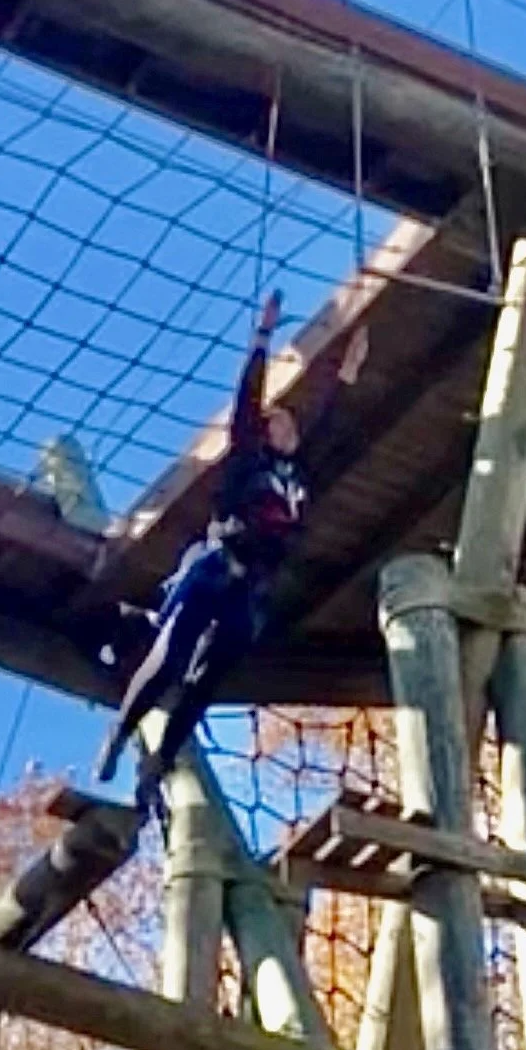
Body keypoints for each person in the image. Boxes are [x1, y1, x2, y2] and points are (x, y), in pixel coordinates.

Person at [95, 291, 369, 814]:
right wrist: (261, 339)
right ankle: (121, 730)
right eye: (281, 422)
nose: (290, 428)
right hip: (218, 564)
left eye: (291, 424)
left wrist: (347, 373)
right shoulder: (249, 460)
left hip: (252, 586)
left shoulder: (297, 475)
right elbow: (246, 404)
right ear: (266, 432)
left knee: (206, 682)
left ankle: (159, 765)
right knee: (172, 654)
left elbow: (330, 425)